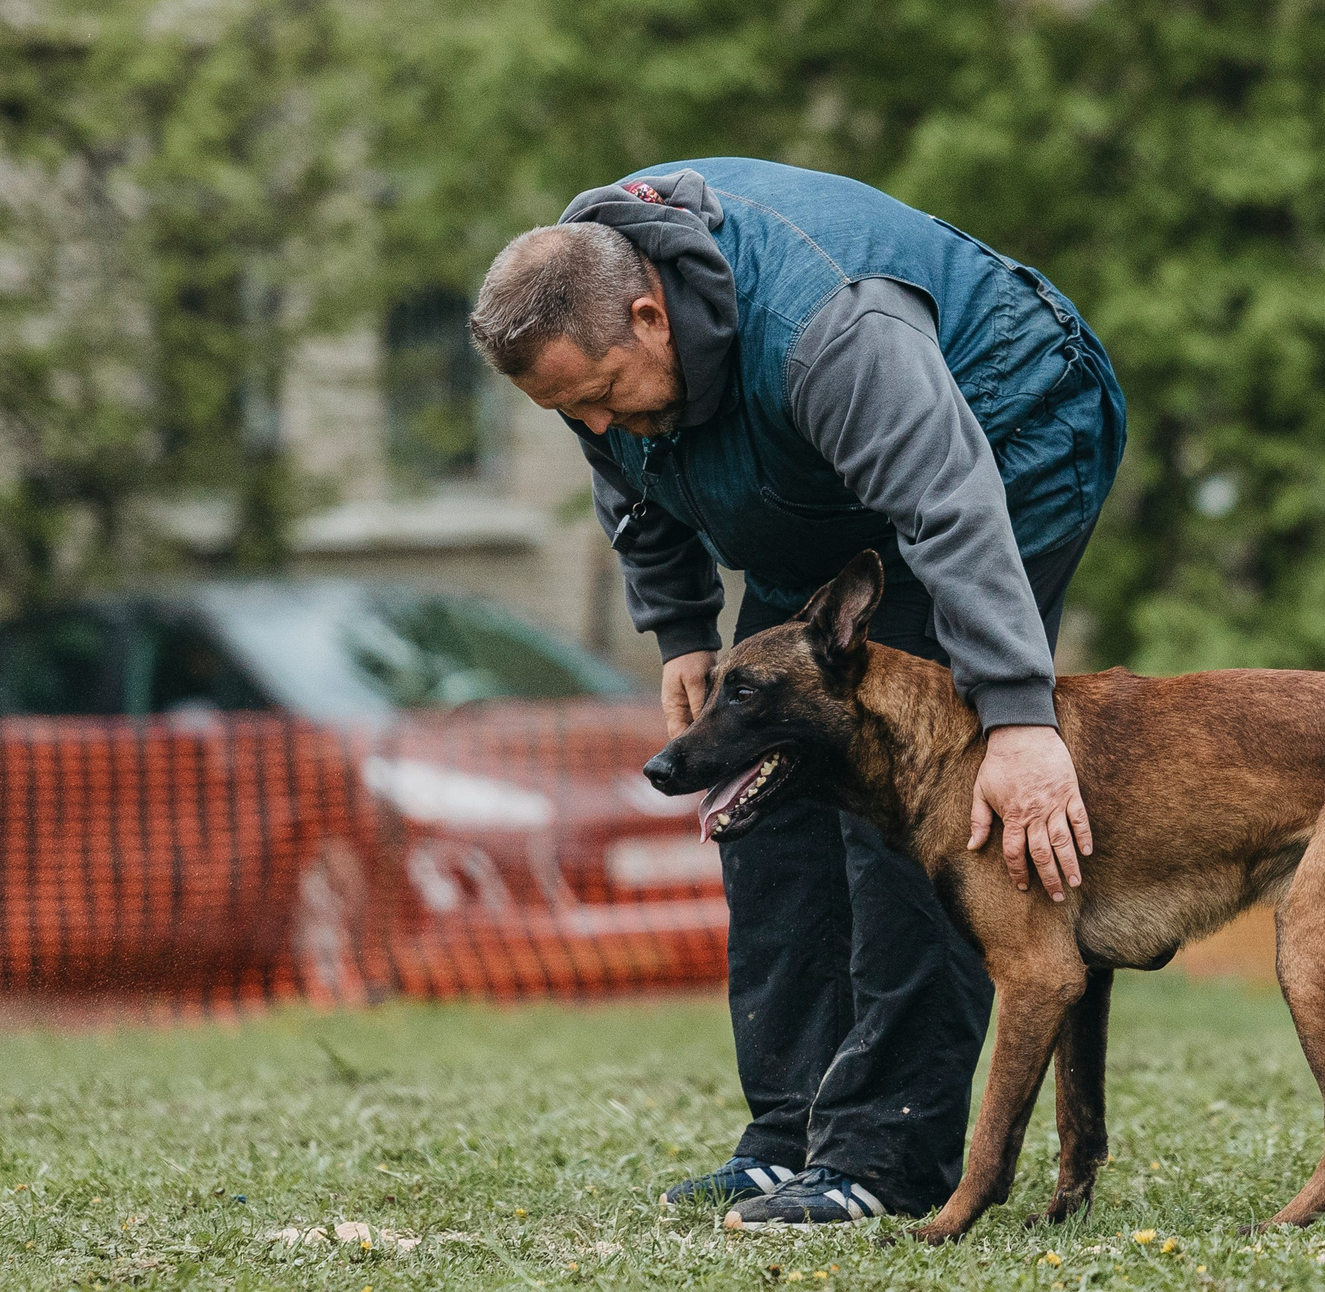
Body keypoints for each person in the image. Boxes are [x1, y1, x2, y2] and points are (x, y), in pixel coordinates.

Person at [469, 158, 1125, 1227]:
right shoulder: (584, 326)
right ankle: (792, 1136)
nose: (593, 426)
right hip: (805, 488)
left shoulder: (832, 329)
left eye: (598, 397)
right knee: (761, 781)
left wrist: (1012, 717)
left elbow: (950, 507)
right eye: (565, 412)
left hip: (1006, 437)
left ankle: (886, 1156)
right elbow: (633, 473)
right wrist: (682, 630)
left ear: (651, 313)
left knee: (908, 814)